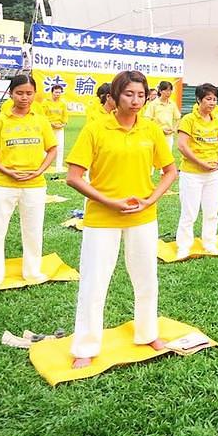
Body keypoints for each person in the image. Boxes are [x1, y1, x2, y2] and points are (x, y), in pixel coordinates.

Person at [67, 70, 177, 368]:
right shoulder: (95, 129)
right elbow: (74, 177)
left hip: (143, 216)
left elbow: (170, 171)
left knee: (146, 279)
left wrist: (151, 199)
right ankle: (85, 347)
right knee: (94, 282)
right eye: (129, 94)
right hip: (102, 218)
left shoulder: (151, 129)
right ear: (114, 96)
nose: (136, 100)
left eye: (141, 95)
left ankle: (148, 333)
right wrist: (109, 202)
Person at [0, 75, 57, 293]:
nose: (24, 97)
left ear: (34, 94)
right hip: (4, 184)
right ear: (11, 93)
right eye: (19, 93)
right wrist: (5, 170)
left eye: (29, 93)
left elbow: (52, 149)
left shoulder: (40, 120)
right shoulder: (1, 120)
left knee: (33, 230)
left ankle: (32, 271)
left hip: (35, 185)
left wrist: (40, 170)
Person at [175, 83, 218, 258]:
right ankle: (184, 246)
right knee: (189, 212)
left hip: (212, 174)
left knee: (212, 211)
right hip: (192, 173)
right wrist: (200, 163)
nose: (212, 103)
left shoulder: (216, 120)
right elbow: (182, 146)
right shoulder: (189, 119)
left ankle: (209, 243)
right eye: (208, 99)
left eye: (214, 99)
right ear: (199, 100)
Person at [143, 81, 180, 150]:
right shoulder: (153, 104)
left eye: (170, 90)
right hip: (156, 135)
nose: (168, 93)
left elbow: (178, 118)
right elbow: (147, 120)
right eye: (166, 90)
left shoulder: (172, 104)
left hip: (168, 136)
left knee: (167, 157)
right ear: (160, 91)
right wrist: (159, 130)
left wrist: (174, 129)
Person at [40, 84, 69, 174]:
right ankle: (44, 166)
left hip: (59, 127)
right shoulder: (46, 102)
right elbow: (42, 115)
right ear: (52, 92)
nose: (57, 94)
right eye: (56, 92)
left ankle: (59, 167)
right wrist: (50, 123)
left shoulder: (62, 103)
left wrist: (63, 124)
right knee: (47, 147)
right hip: (49, 127)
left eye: (59, 92)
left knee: (60, 147)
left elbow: (65, 115)